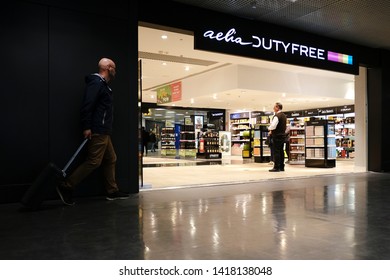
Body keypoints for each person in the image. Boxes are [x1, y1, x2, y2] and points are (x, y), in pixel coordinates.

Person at [56, 57, 129, 206]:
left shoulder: (103, 85)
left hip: (104, 130)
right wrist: (87, 127)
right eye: (114, 67)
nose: (115, 70)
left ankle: (112, 190)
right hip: (98, 129)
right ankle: (66, 186)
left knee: (111, 158)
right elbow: (87, 105)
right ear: (108, 68)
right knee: (94, 161)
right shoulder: (96, 83)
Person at [268, 102, 287, 172]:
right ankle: (282, 166)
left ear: (277, 108)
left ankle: (276, 167)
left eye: (274, 107)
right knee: (281, 151)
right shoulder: (284, 116)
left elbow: (273, 126)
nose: (273, 108)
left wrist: (269, 129)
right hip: (282, 136)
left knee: (276, 151)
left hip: (277, 136)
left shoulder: (277, 116)